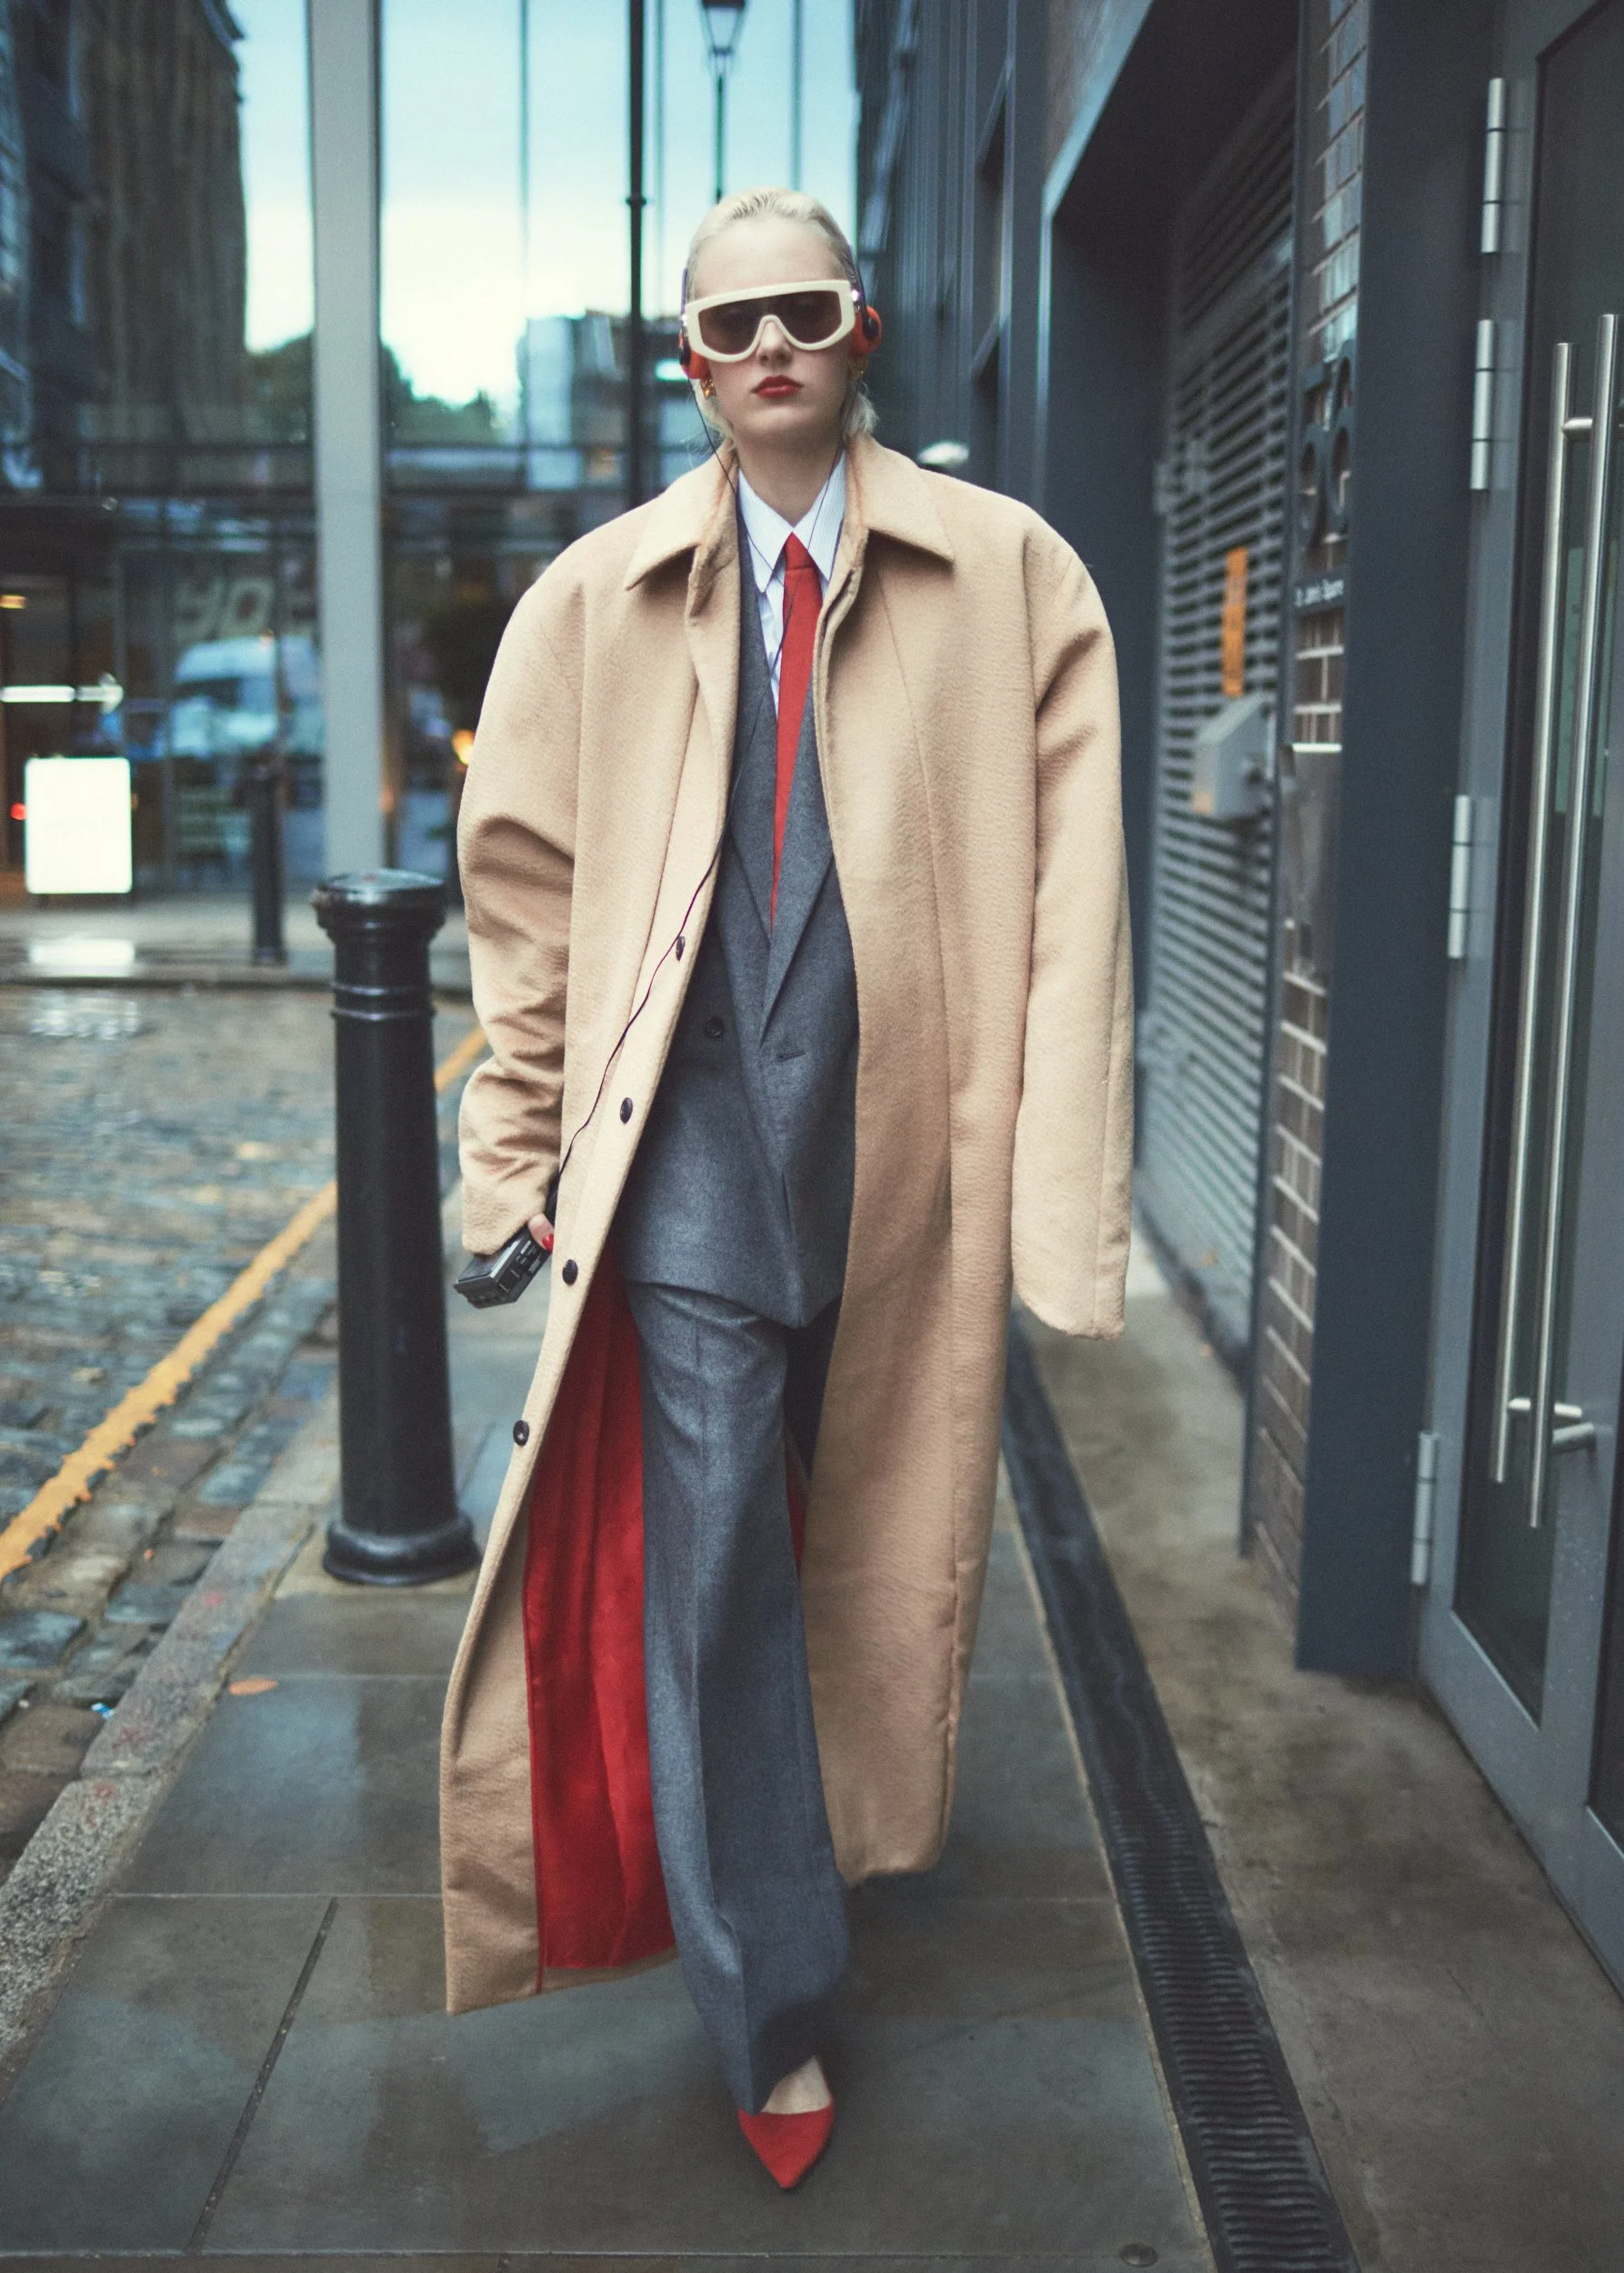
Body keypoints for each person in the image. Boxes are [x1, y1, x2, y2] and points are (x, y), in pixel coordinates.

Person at [439, 185, 1133, 2190]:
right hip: (687, 1174)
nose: (765, 345)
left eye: (799, 311)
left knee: (894, 1535)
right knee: (726, 1546)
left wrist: (1056, 1196)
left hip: (906, 1149)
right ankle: (770, 1998)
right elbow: (527, 907)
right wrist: (518, 1158)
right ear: (685, 361)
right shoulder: (590, 598)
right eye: (724, 321)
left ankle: (837, 1828)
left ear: (865, 329)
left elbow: (1074, 907)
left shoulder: (1016, 578)